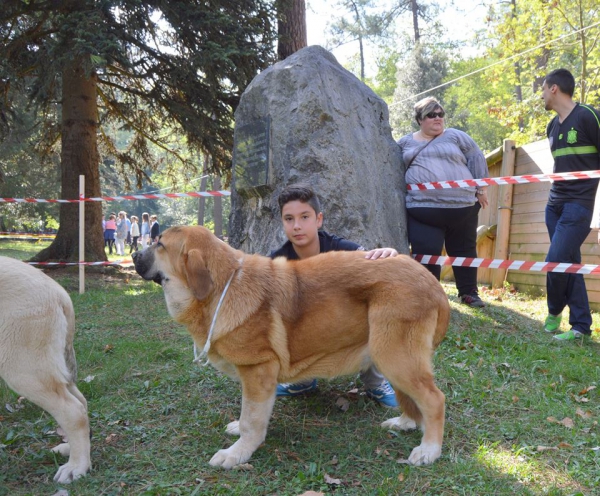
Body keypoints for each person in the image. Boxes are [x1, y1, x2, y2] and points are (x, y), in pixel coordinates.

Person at [269, 183, 399, 408]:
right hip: (306, 327)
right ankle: (302, 380)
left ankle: (375, 382)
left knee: (372, 313)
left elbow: (374, 264)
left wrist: (391, 256)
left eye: (304, 217)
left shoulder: (341, 248)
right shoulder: (277, 260)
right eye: (289, 219)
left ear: (318, 220)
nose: (297, 226)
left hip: (345, 323)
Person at [397, 96, 490, 308]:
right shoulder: (404, 143)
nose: (438, 118)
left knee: (465, 250)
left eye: (441, 114)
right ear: (420, 119)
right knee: (426, 252)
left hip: (463, 208)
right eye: (431, 115)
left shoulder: (456, 136)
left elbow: (476, 157)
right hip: (423, 211)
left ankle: (469, 293)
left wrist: (481, 188)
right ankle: (429, 297)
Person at [540, 68, 600, 341]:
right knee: (568, 262)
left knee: (555, 261)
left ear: (554, 88)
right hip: (554, 205)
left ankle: (554, 311)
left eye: (542, 88)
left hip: (579, 205)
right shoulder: (551, 126)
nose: (540, 95)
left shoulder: (589, 116)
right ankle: (581, 327)